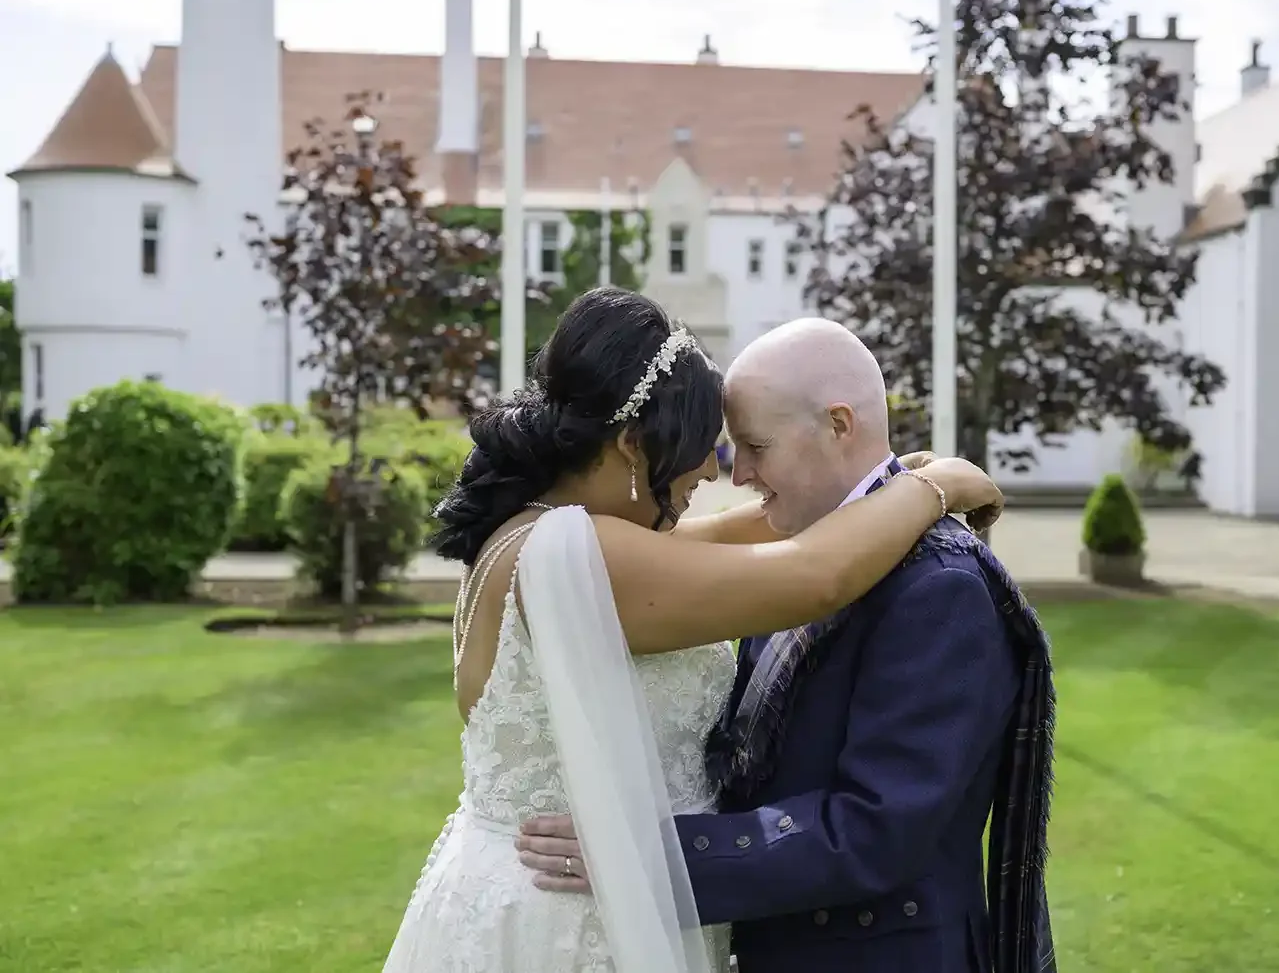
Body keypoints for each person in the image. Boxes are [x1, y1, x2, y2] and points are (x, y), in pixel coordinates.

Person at [380, 288, 1004, 973]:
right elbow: (815, 572)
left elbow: (763, 526)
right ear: (631, 444)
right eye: (706, 447)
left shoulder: (539, 534)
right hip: (574, 919)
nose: (717, 470)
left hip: (551, 894)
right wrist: (937, 486)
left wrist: (878, 480)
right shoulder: (582, 555)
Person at [516, 317, 1059, 973]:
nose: (738, 472)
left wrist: (653, 859)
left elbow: (875, 830)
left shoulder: (941, 587)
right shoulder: (796, 551)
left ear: (838, 425)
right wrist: (923, 484)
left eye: (754, 446)